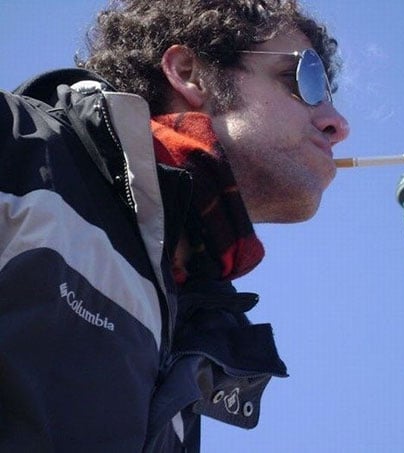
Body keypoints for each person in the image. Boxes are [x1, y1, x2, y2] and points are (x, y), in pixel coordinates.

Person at [0, 0, 349, 451]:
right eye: (304, 80)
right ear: (188, 73)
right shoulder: (17, 150)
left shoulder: (193, 340)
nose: (337, 124)